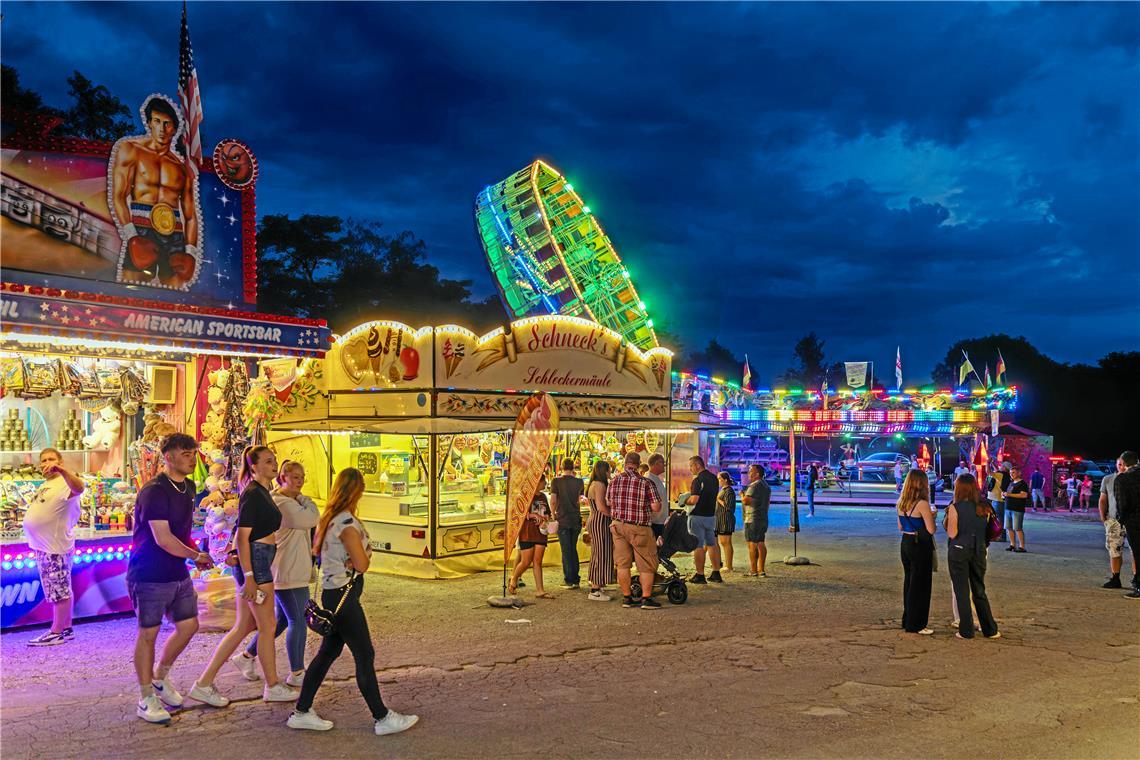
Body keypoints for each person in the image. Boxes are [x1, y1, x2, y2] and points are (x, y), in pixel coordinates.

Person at [288, 468, 419, 734]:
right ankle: (382, 717)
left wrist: (351, 558)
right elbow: (362, 563)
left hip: (333, 592)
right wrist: (364, 555)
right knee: (364, 654)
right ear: (356, 491)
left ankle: (302, 710)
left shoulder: (330, 519)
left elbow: (322, 553)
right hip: (344, 596)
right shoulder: (346, 523)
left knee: (328, 653)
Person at [191, 446, 297, 707]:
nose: (274, 464)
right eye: (268, 461)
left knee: (243, 627)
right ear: (254, 466)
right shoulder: (253, 494)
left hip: (256, 562)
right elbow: (242, 536)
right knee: (268, 626)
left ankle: (204, 683)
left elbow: (239, 533)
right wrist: (249, 575)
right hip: (257, 564)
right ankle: (272, 685)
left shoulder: (261, 492)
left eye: (274, 459)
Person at [127, 433, 214, 724]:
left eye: (194, 453)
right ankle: (145, 696)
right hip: (149, 573)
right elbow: (163, 538)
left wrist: (195, 552)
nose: (192, 458)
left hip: (178, 572)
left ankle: (160, 678)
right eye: (186, 453)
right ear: (169, 457)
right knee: (148, 633)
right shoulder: (154, 491)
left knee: (189, 626)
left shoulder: (188, 487)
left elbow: (181, 530)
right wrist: (195, 555)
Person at [234, 460, 319, 687]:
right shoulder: (282, 503)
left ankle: (246, 657)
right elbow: (310, 519)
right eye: (294, 477)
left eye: (302, 477)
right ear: (282, 477)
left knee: (281, 621)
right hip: (287, 571)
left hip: (292, 569)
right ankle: (297, 672)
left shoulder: (291, 501)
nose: (300, 482)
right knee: (298, 620)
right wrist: (306, 501)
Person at [110, 95, 200, 289]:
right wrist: (132, 235)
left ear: (174, 129)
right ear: (149, 123)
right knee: (129, 291)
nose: (162, 128)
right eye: (157, 121)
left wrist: (191, 252)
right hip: (142, 227)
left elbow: (190, 215)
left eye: (167, 124)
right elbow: (118, 196)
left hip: (174, 234)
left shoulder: (182, 168)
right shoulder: (131, 150)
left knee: (176, 299)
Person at [23, 448, 84, 646]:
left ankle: (56, 632)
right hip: (45, 546)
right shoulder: (48, 484)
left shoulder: (65, 482)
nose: (47, 463)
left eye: (51, 459)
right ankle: (66, 628)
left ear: (60, 462)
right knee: (62, 587)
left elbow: (79, 488)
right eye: (44, 460)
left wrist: (63, 471)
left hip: (54, 547)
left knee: (59, 591)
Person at [944, 475, 1000, 640]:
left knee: (961, 591)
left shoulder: (955, 507)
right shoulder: (985, 507)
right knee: (979, 589)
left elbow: (952, 533)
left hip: (959, 551)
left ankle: (966, 630)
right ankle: (990, 629)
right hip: (979, 551)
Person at [606, 452, 663, 609]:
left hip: (618, 525)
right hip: (639, 527)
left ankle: (627, 598)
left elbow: (609, 502)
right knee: (646, 563)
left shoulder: (614, 481)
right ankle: (646, 599)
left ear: (625, 463)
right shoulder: (645, 483)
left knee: (622, 564)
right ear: (638, 464)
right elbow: (656, 507)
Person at [898, 469, 936, 635]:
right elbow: (931, 529)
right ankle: (917, 623)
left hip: (905, 543)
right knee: (921, 585)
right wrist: (932, 516)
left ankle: (907, 619)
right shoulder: (922, 504)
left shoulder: (901, 502)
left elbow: (900, 527)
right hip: (919, 545)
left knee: (909, 582)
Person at [508, 474, 554, 598]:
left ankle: (540, 590)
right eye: (544, 481)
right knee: (526, 561)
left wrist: (546, 518)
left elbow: (548, 513)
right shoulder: (525, 496)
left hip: (541, 531)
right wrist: (534, 516)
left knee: (538, 561)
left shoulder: (544, 496)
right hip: (527, 532)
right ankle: (514, 578)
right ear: (538, 482)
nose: (545, 484)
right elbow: (520, 513)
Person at [684, 456, 723, 584]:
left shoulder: (697, 480)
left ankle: (700, 575)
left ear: (698, 465)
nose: (690, 469)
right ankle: (716, 573)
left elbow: (694, 499)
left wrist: (684, 501)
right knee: (712, 544)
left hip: (697, 516)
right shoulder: (713, 478)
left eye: (691, 466)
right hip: (711, 516)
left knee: (698, 545)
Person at [1098, 455, 1135, 590]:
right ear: (1116, 465)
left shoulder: (1134, 479)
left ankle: (1136, 578)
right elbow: (1103, 499)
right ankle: (1115, 578)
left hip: (1131, 520)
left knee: (1134, 551)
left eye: (1123, 464)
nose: (1122, 467)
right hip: (1114, 520)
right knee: (1114, 550)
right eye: (1119, 464)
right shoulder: (1108, 479)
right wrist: (1103, 516)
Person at [550, 459, 584, 590]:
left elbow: (553, 501)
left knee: (566, 550)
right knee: (573, 548)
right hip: (575, 518)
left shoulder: (556, 481)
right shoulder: (579, 482)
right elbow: (579, 500)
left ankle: (569, 579)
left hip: (563, 518)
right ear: (573, 467)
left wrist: (553, 515)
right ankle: (576, 577)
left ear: (562, 467)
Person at [585, 461, 615, 601]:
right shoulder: (600, 485)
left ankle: (597, 583)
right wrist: (614, 515)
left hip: (594, 519)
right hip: (600, 521)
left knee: (597, 553)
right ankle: (595, 589)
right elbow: (602, 507)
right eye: (609, 470)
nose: (610, 473)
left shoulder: (593, 484)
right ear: (604, 471)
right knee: (601, 553)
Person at [1112, 451, 1140, 599]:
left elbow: (1122, 504)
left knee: (1138, 553)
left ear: (1123, 463)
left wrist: (1121, 520)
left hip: (1134, 522)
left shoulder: (1122, 479)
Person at [742, 464, 771, 577]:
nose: (748, 473)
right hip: (763, 517)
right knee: (761, 542)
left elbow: (746, 501)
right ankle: (761, 570)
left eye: (750, 471)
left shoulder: (754, 486)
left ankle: (753, 570)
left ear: (757, 474)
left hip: (752, 518)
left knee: (752, 544)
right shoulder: (766, 486)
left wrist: (742, 495)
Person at [1002, 466, 1029, 553]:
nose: (1011, 474)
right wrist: (1004, 495)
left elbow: (1024, 495)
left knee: (1017, 528)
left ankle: (1022, 546)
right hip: (1008, 508)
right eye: (1010, 473)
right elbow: (1008, 494)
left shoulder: (1023, 484)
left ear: (1019, 473)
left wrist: (1009, 495)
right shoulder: (1011, 483)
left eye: (1013, 472)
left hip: (1017, 509)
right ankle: (1012, 544)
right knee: (1009, 528)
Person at [715, 471, 737, 572]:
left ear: (725, 480)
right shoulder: (723, 490)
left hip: (726, 519)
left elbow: (729, 506)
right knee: (723, 542)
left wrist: (718, 499)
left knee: (726, 543)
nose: (718, 481)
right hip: (720, 519)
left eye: (720, 479)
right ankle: (723, 564)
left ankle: (729, 566)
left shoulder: (729, 491)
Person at [645, 453, 669, 543]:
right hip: (654, 521)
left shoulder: (656, 478)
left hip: (660, 521)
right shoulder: (649, 479)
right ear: (657, 463)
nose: (665, 465)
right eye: (663, 463)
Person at [985, 465, 1009, 543]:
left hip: (997, 500)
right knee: (1000, 518)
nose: (999, 467)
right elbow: (997, 470)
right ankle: (1000, 536)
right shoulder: (1004, 475)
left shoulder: (1000, 475)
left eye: (1002, 466)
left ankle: (1001, 537)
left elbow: (988, 472)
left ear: (1005, 468)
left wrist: (988, 463)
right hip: (999, 500)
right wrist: (993, 463)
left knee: (999, 519)